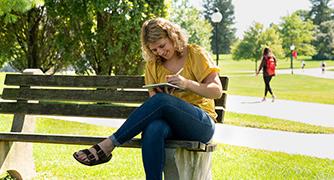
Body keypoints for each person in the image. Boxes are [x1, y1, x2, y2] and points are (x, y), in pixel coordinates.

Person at [72, 17, 222, 180]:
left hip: (201, 124)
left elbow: (216, 91)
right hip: (172, 125)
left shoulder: (195, 53)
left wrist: (186, 84)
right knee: (153, 128)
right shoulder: (153, 65)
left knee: (162, 101)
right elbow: (155, 104)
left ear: (172, 36)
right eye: (154, 49)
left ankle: (109, 144)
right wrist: (169, 96)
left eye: (162, 45)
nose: (159, 52)